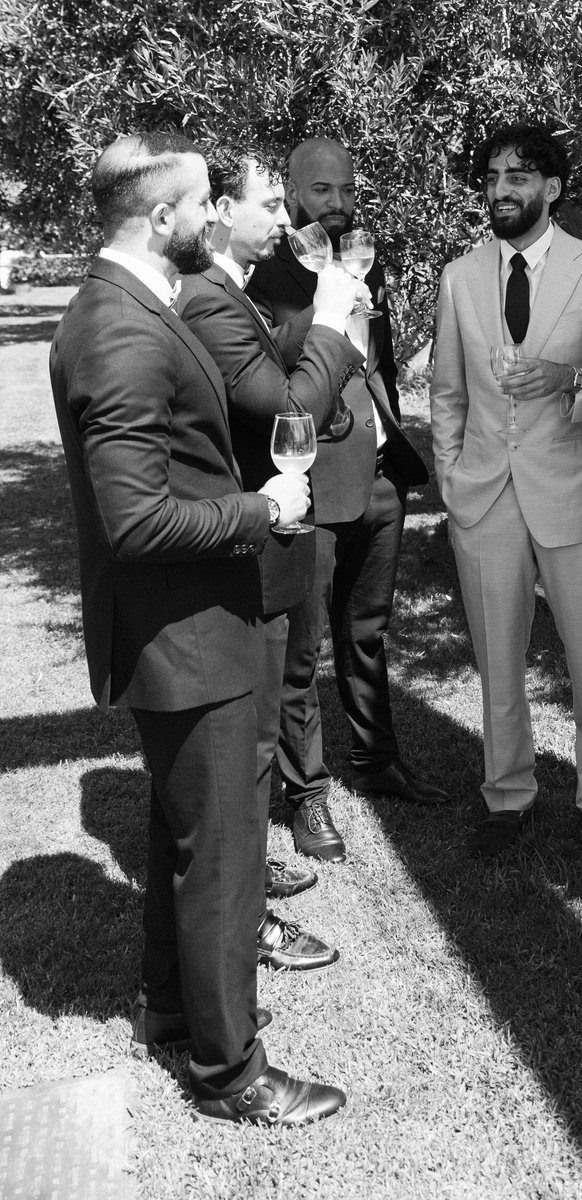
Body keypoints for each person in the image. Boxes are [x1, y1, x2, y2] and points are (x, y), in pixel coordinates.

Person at [50, 128, 344, 1126]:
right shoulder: (121, 328)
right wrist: (263, 512)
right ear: (161, 216)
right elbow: (134, 521)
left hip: (190, 624)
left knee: (191, 840)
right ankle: (232, 1071)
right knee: (219, 856)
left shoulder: (132, 302)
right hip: (186, 631)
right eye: (205, 200)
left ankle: (175, 1014)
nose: (217, 214)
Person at [430, 123, 582, 862]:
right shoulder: (458, 277)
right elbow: (447, 392)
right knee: (496, 657)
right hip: (483, 495)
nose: (499, 190)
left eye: (517, 176)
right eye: (491, 176)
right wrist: (452, 479)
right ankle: (507, 794)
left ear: (551, 189)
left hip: (573, 491)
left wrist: (567, 382)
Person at [176, 152, 366, 973]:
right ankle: (245, 919)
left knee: (262, 726)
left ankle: (252, 871)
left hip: (275, 538)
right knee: (243, 744)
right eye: (267, 202)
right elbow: (289, 404)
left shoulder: (236, 291)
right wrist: (330, 316)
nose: (284, 219)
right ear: (221, 210)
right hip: (243, 545)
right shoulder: (208, 298)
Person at [247, 137, 444, 856]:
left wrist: (391, 443)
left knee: (366, 631)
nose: (338, 204)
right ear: (295, 194)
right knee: (302, 648)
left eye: (347, 191)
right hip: (310, 481)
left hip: (381, 477)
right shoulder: (261, 280)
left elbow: (378, 363)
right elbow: (270, 386)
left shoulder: (366, 260)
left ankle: (376, 758)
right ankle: (307, 795)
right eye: (323, 191)